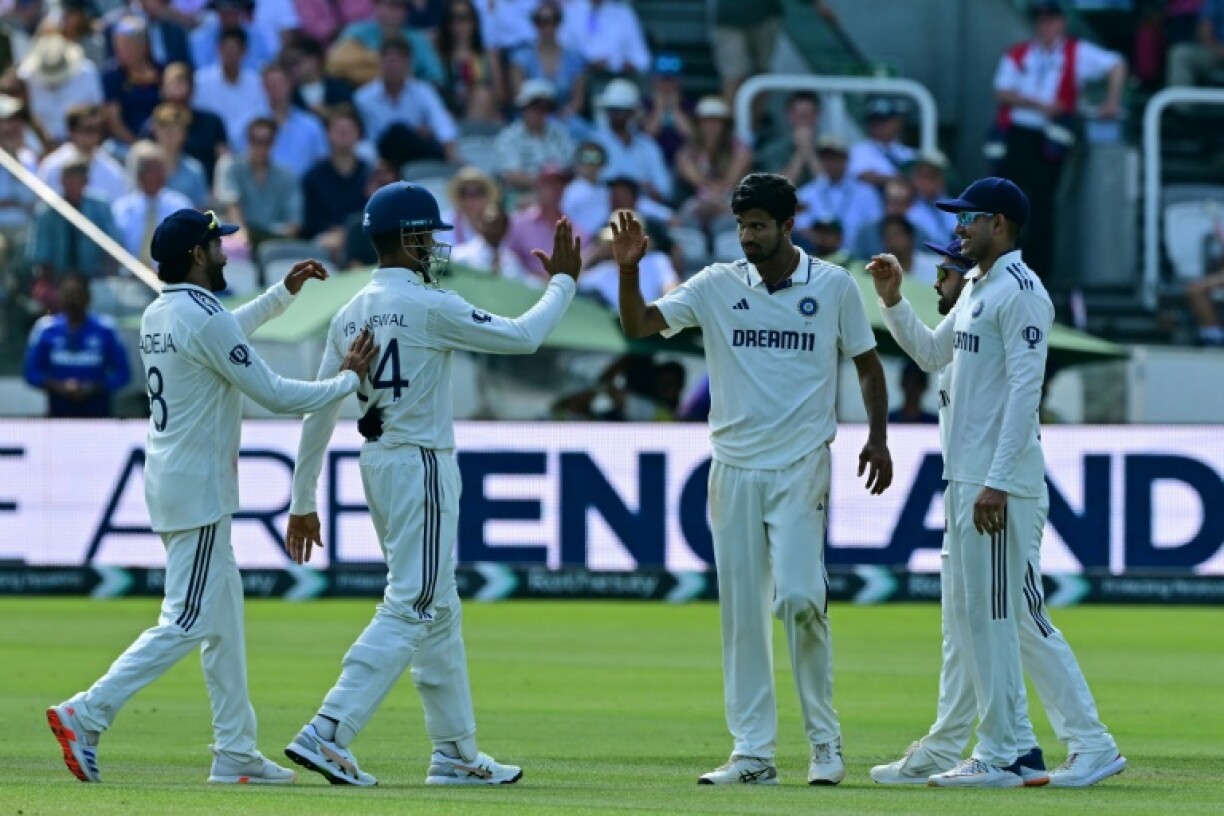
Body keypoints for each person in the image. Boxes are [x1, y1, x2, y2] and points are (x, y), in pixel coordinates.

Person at [46, 208, 378, 785]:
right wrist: (348, 380)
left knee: (221, 623)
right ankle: (87, 712)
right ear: (198, 255)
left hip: (178, 482)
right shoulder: (202, 318)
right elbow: (274, 393)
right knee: (189, 620)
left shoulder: (164, 310)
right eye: (217, 245)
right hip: (198, 489)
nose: (225, 252)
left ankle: (236, 753)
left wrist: (281, 294)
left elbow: (225, 336)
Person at [280, 182, 584, 786]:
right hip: (421, 464)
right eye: (431, 237)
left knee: (436, 609)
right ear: (412, 238)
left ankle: (456, 754)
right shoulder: (430, 304)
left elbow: (321, 409)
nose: (436, 248)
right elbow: (524, 337)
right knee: (415, 603)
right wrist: (564, 282)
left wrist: (303, 499)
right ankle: (328, 730)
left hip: (379, 465)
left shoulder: (350, 310)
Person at [614, 173, 894, 786]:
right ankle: (753, 754)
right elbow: (636, 327)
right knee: (741, 616)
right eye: (741, 226)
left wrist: (877, 437)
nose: (747, 237)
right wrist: (629, 271)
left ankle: (825, 743)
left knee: (798, 599)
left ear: (788, 225)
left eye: (759, 226)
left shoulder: (834, 286)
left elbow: (869, 368)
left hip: (800, 465)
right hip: (732, 466)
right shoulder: (716, 285)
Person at [866, 177, 1127, 788]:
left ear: (1000, 224)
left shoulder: (1023, 292)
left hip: (996, 485)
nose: (959, 230)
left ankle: (1016, 751)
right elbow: (933, 355)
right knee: (972, 618)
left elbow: (1023, 393)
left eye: (968, 219)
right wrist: (892, 301)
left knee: (1005, 615)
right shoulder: (979, 287)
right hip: (967, 479)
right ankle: (982, 743)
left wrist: (998, 481)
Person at [992, 0, 1126, 280]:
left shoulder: (1077, 52)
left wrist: (1112, 101)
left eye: (1051, 19)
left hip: (1050, 136)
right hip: (1018, 134)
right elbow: (1002, 92)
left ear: (1061, 22)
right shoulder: (1020, 54)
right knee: (1005, 204)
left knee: (1042, 206)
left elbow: (1116, 64)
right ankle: (999, 267)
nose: (1046, 26)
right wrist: (1040, 105)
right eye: (1041, 20)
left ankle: (1038, 273)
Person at [23, 273, 131, 418]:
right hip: (58, 414)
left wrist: (94, 388)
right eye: (67, 294)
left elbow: (123, 374)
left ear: (88, 297)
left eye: (77, 293)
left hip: (98, 414)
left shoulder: (106, 328)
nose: (73, 300)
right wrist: (58, 387)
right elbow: (31, 373)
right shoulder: (45, 328)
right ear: (59, 297)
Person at [888, 359, 938, 424]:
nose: (911, 388)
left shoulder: (934, 423)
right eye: (909, 382)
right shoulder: (889, 421)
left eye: (916, 383)